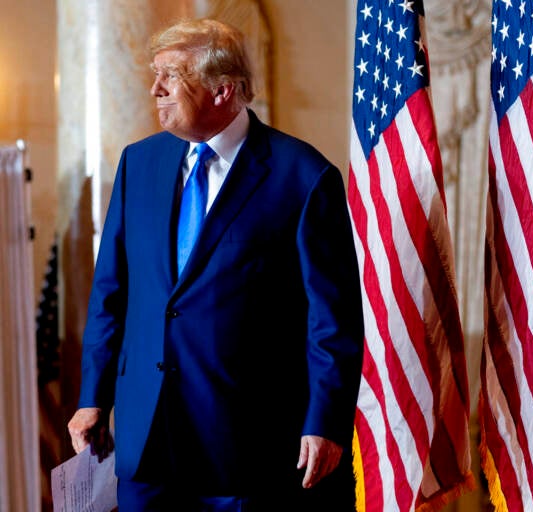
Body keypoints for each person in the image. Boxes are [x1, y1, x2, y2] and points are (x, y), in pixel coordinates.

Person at [67, 17, 364, 511]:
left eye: (172, 76)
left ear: (223, 90)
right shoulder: (137, 163)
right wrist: (92, 395)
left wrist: (324, 421)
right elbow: (110, 292)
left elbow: (332, 320)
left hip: (246, 449)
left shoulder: (303, 177)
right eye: (155, 73)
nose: (155, 88)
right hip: (145, 447)